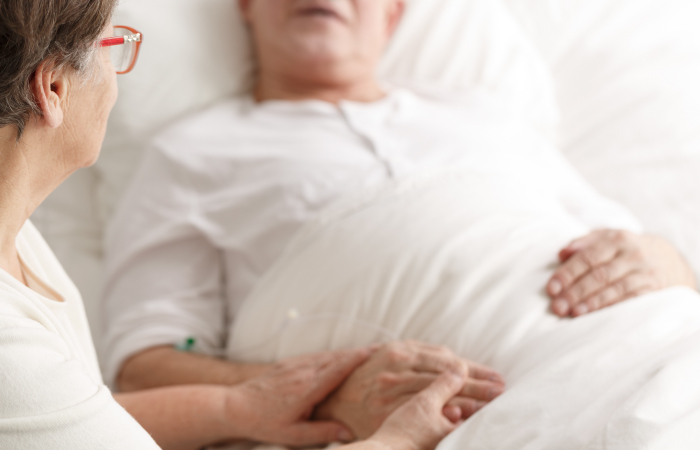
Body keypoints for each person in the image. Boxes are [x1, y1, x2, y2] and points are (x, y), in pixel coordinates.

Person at [101, 0, 698, 442]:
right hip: (486, 406)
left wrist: (670, 261)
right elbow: (144, 365)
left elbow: (639, 251)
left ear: (391, 15)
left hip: (659, 340)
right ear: (247, 8)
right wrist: (324, 390)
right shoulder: (189, 153)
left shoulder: (489, 117)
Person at [0, 1, 485, 449]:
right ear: (54, 89)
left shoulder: (22, 239)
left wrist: (236, 406)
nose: (116, 77)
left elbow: (74, 414)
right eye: (113, 49)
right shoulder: (10, 347)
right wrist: (395, 440)